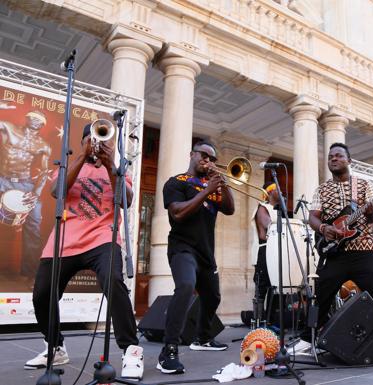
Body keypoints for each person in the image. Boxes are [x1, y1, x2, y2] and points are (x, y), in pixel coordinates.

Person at [24, 123, 143, 379]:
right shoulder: (67, 166)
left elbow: (127, 200)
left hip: (102, 238)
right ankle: (55, 346)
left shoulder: (120, 169)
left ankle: (131, 349)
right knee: (42, 293)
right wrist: (81, 158)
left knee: (113, 281)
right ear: (83, 142)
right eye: (91, 139)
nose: (97, 143)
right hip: (64, 240)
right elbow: (58, 192)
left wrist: (112, 165)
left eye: (102, 138)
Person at [292, 142, 373, 357]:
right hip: (334, 253)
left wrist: (369, 213)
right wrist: (323, 227)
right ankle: (307, 339)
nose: (333, 158)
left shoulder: (363, 185)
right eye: (331, 156)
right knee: (321, 295)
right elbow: (313, 216)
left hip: (364, 249)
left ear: (349, 160)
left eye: (339, 155)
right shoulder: (321, 189)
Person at [158, 140, 235, 374]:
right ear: (192, 154)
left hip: (205, 251)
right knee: (185, 286)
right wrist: (207, 191)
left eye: (212, 159)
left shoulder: (212, 185)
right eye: (204, 155)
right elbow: (178, 213)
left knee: (213, 297)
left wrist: (224, 185)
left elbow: (230, 209)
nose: (208, 161)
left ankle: (202, 338)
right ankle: (168, 350)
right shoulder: (176, 182)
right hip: (182, 247)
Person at [0, 104, 51, 276]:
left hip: (25, 183)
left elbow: (44, 172)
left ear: (43, 124)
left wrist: (36, 193)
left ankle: (29, 274)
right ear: (27, 118)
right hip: (2, 179)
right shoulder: (9, 127)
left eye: (40, 118)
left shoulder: (43, 145)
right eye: (33, 116)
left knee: (34, 221)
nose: (36, 119)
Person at [250, 182, 281, 323]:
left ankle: (270, 322)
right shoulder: (263, 208)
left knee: (276, 288)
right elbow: (268, 228)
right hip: (265, 250)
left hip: (276, 251)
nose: (281, 191)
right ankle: (259, 323)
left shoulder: (279, 210)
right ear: (270, 192)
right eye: (277, 188)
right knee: (261, 288)